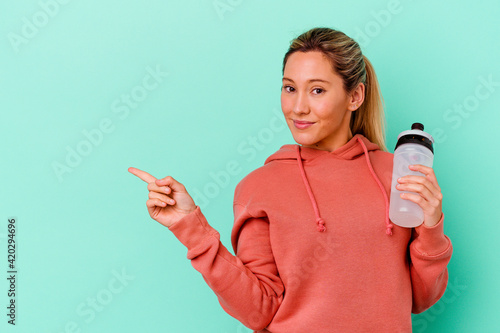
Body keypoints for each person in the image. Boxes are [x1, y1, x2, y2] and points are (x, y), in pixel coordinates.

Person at [129, 27, 452, 332]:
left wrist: (432, 224)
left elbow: (421, 298)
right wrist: (191, 229)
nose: (298, 107)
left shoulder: (398, 173)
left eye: (317, 90)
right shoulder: (260, 186)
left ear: (355, 97)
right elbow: (259, 309)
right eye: (289, 88)